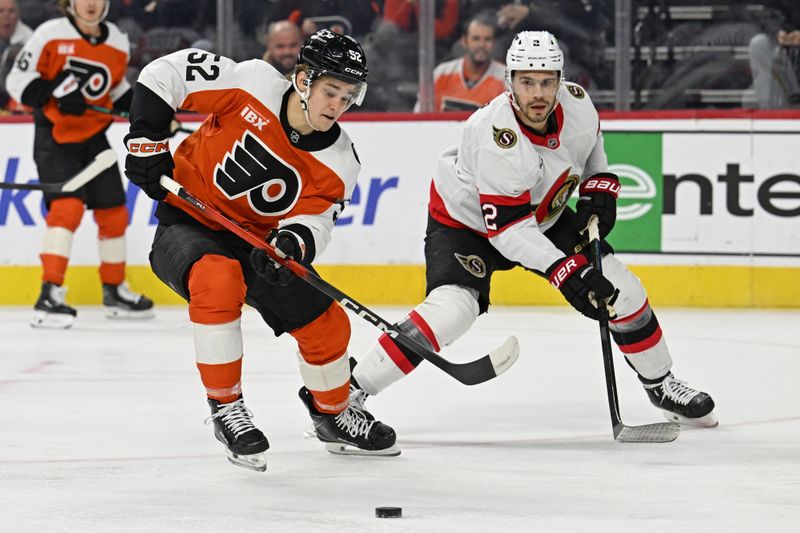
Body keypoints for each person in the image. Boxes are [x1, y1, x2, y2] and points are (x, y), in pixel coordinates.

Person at [347, 31, 718, 430]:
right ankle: (350, 392)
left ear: (560, 80)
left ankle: (660, 384)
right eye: (527, 82)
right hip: (466, 224)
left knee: (621, 289)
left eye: (546, 81)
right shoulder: (495, 136)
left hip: (543, 215)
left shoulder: (577, 103)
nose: (537, 93)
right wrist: (562, 270)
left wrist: (600, 181)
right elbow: (508, 233)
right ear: (509, 82)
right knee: (452, 312)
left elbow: (592, 146)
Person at [123, 28, 399, 471]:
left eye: (348, 96)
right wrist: (146, 141)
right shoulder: (251, 83)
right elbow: (166, 73)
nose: (338, 106)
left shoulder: (341, 161)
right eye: (331, 91)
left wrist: (293, 242)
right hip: (190, 223)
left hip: (257, 246)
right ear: (304, 79)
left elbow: (316, 218)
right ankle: (226, 408)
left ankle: (333, 415)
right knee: (217, 278)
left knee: (327, 323)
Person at [6, 0, 154, 329]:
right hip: (55, 136)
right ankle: (49, 292)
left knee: (114, 210)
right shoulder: (49, 34)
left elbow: (115, 89)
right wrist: (51, 92)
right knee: (67, 209)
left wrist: (147, 115)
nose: (91, 3)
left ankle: (114, 290)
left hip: (93, 137)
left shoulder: (116, 39)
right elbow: (17, 82)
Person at [416, 12, 505, 112]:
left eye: (487, 39)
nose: (481, 45)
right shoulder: (442, 73)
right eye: (476, 39)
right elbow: (420, 118)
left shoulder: (505, 79)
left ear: (494, 43)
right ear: (464, 42)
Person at [0, 0, 32, 110]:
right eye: (1, 11)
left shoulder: (30, 40)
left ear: (18, 15)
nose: (6, 16)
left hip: (17, 99)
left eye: (11, 11)